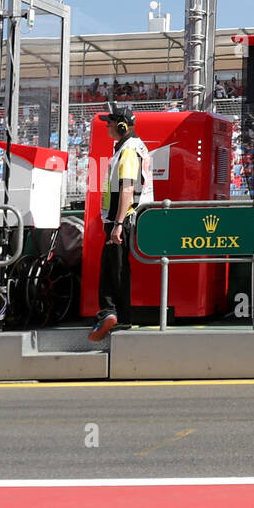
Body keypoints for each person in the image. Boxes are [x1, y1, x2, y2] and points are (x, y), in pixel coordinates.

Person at [88, 108, 152, 342]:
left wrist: (117, 223)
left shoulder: (128, 151)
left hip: (122, 220)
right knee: (116, 269)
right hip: (125, 218)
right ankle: (118, 317)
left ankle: (111, 315)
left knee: (112, 271)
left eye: (110, 123)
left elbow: (127, 188)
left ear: (123, 126)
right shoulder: (133, 147)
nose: (107, 126)